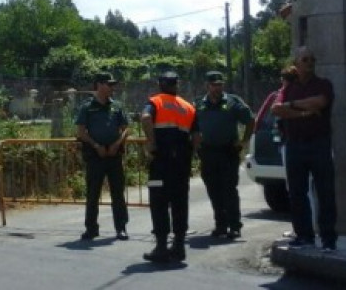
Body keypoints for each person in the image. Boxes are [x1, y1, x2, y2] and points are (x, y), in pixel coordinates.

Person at [271, 46, 337, 252]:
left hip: (319, 144)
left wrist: (292, 104)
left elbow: (319, 102)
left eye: (312, 59)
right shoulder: (288, 88)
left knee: (325, 192)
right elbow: (277, 110)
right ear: (296, 64)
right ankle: (304, 236)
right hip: (294, 145)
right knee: (297, 193)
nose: (309, 63)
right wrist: (302, 112)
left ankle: (328, 239)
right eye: (305, 60)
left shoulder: (323, 84)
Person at [140, 71, 199, 263]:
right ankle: (179, 246)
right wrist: (189, 152)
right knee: (180, 203)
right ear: (176, 85)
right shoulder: (188, 107)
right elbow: (197, 137)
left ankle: (161, 247)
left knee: (158, 202)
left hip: (160, 163)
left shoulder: (155, 102)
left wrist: (151, 142)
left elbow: (145, 118)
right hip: (181, 165)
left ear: (160, 84)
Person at [195, 70, 254, 240]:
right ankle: (220, 225)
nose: (217, 88)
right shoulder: (199, 104)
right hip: (208, 153)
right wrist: (196, 144)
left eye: (220, 84)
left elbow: (250, 120)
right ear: (207, 85)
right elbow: (192, 126)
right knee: (213, 191)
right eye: (214, 85)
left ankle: (234, 226)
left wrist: (244, 141)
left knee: (229, 190)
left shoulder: (233, 102)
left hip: (228, 152)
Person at [75, 72, 130, 241]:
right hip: (95, 156)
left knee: (118, 193)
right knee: (93, 193)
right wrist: (96, 146)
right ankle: (91, 228)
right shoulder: (87, 107)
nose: (112, 87)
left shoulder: (116, 106)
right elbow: (80, 132)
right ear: (99, 85)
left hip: (114, 155)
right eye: (109, 84)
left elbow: (126, 128)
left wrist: (116, 144)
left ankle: (121, 228)